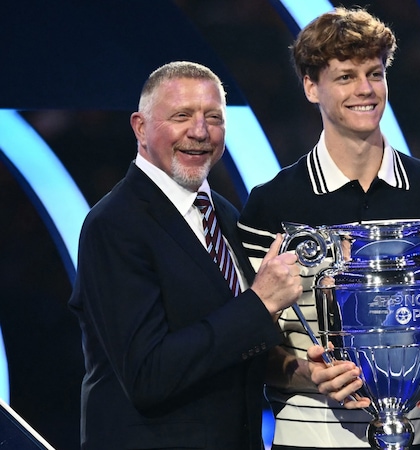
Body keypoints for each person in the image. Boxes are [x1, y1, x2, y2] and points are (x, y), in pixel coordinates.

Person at [237, 7, 420, 450]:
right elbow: (248, 346)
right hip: (310, 438)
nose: (365, 90)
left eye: (375, 74)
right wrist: (309, 373)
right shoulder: (271, 204)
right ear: (311, 86)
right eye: (345, 77)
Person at [68, 61, 303, 450]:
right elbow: (148, 375)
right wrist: (260, 303)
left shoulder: (224, 215)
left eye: (214, 117)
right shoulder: (114, 225)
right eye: (182, 116)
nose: (199, 132)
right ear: (140, 128)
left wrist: (300, 371)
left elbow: (230, 352)